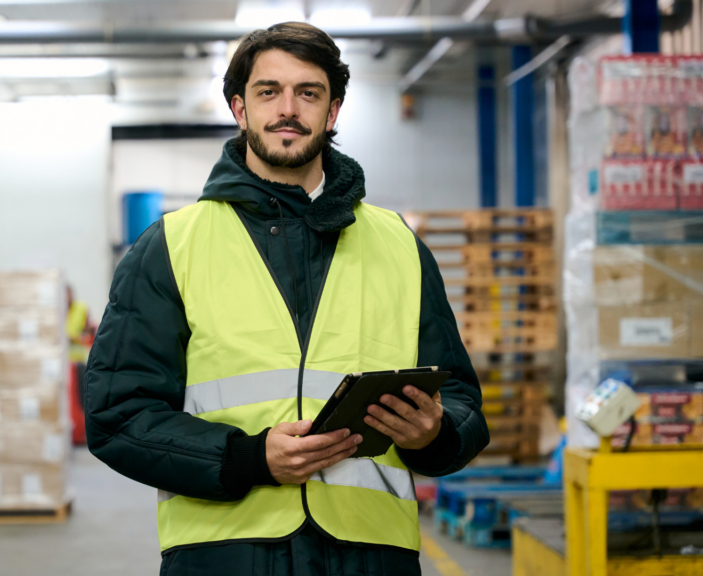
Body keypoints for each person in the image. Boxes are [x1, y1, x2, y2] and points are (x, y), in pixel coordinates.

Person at [84, 22, 489, 576]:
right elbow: (117, 416)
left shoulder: (399, 246)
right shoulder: (172, 246)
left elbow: (462, 401)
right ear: (239, 109)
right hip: (226, 554)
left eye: (309, 92)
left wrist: (435, 434)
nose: (288, 109)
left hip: (371, 555)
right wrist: (248, 457)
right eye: (267, 91)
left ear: (334, 110)